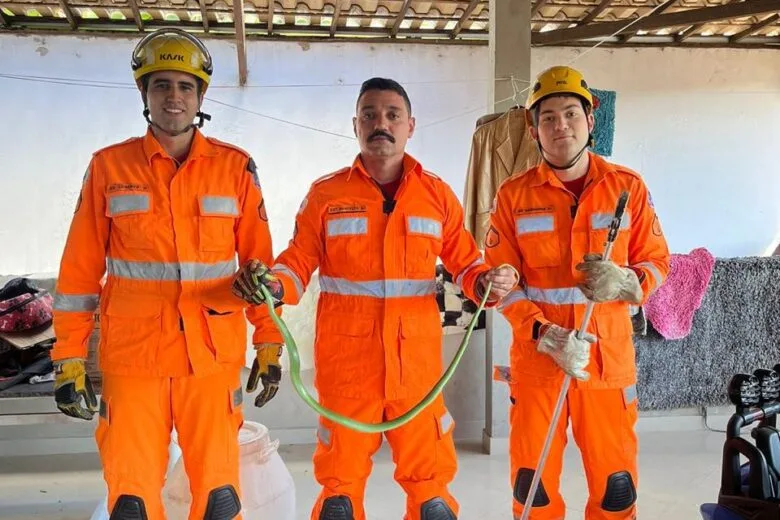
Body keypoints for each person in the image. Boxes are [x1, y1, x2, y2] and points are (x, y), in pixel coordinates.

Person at [231, 77, 517, 520]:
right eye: (369, 115)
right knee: (339, 501)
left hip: (417, 375)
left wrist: (486, 283)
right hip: (348, 372)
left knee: (432, 502)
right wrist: (274, 284)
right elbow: (297, 261)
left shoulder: (436, 195)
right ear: (356, 125)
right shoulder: (327, 195)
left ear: (410, 125)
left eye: (392, 115)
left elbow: (465, 262)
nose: (380, 123)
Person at [50, 28, 283, 520]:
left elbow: (259, 270)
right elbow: (79, 272)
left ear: (200, 96)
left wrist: (268, 342)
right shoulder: (109, 167)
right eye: (161, 85)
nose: (173, 96)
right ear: (144, 93)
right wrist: (68, 356)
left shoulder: (236, 169)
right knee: (131, 501)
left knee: (220, 499)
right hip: (135, 359)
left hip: (210, 359)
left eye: (184, 86)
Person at [484, 65, 670, 519]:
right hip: (538, 364)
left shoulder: (627, 188)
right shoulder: (512, 196)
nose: (560, 125)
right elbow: (500, 285)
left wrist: (628, 282)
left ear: (590, 120)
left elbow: (657, 262)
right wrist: (543, 333)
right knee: (533, 490)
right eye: (548, 117)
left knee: (615, 490)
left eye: (570, 113)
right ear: (533, 130)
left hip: (606, 366)